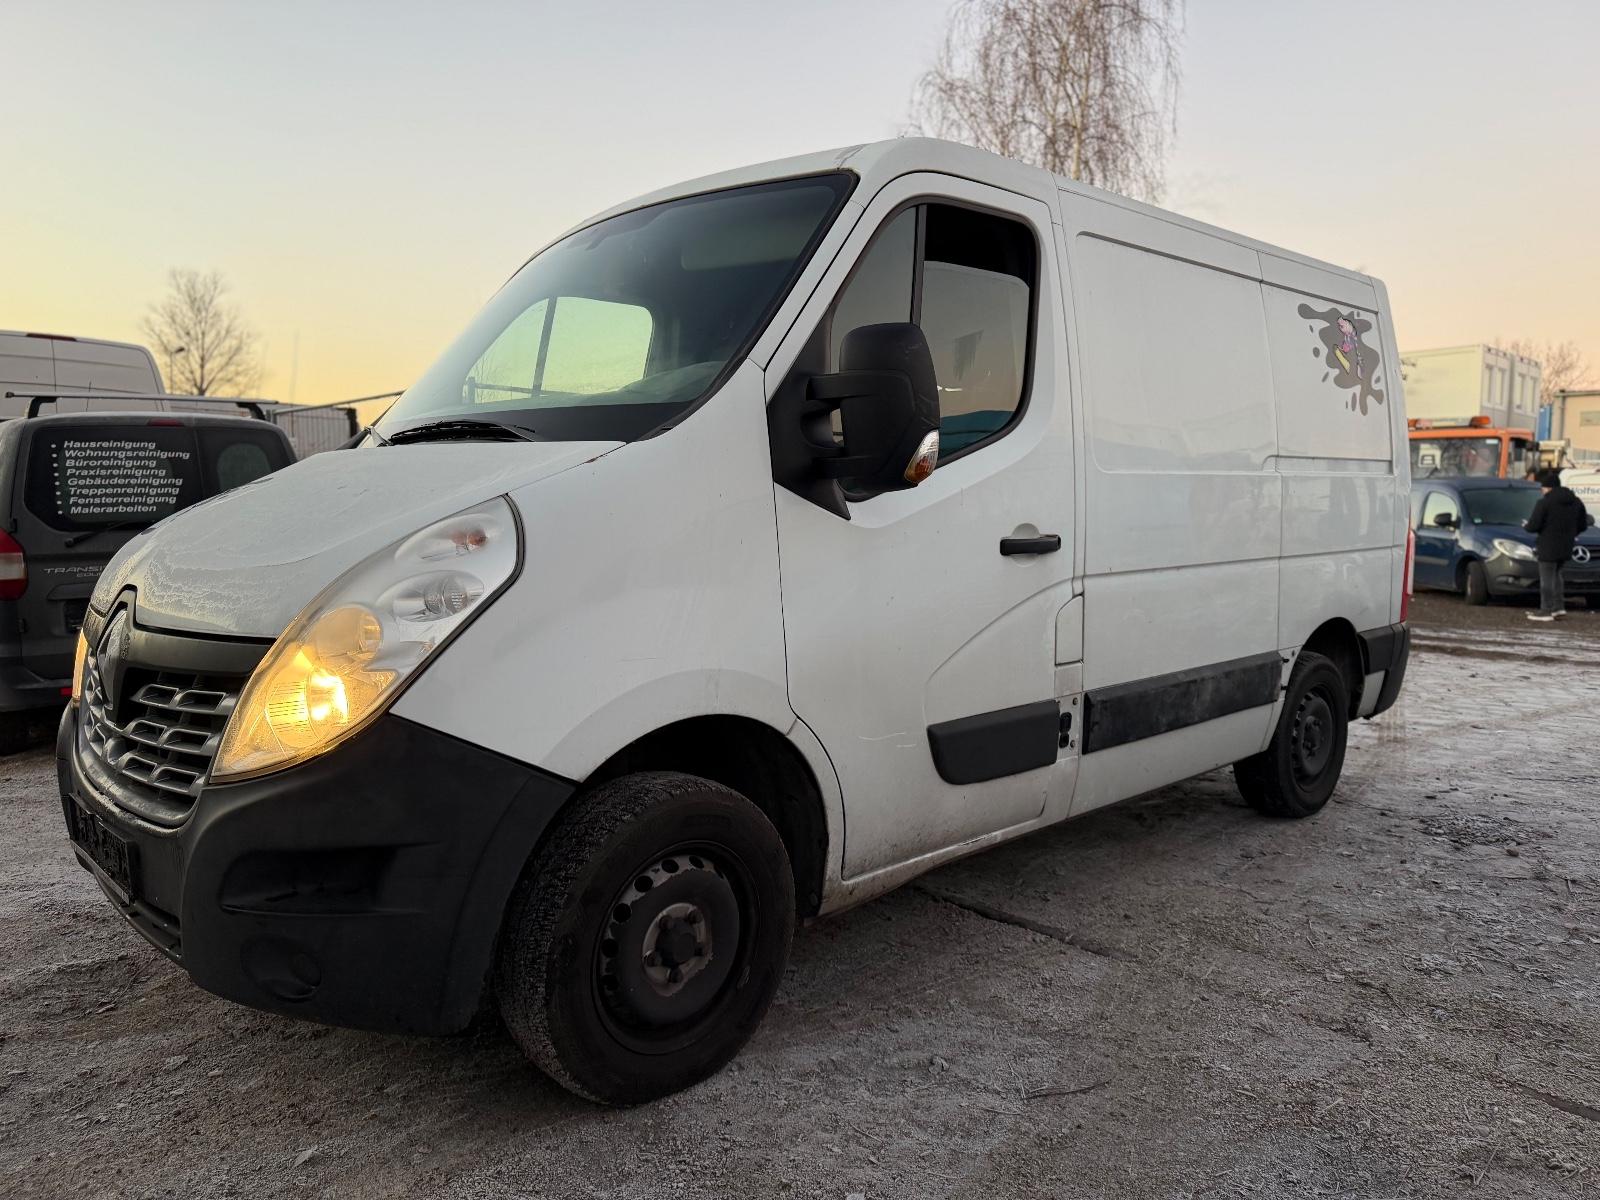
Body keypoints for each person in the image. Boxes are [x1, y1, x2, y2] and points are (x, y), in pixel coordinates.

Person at [1525, 469, 1590, 621]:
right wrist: (1571, 534)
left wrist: (1526, 526)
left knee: (1547, 578)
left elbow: (1533, 526)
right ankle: (1558, 608)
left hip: (1548, 546)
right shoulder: (1576, 501)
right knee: (1557, 576)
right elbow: (1583, 524)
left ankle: (1545, 611)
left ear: (1548, 488)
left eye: (1543, 488)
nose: (1542, 491)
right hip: (1566, 545)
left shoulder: (1544, 503)